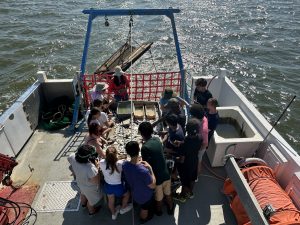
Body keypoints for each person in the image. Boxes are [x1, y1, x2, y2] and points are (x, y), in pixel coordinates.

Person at [138, 122, 175, 216]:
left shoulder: (144, 148)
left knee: (159, 198)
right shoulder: (157, 140)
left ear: (141, 134)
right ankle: (171, 208)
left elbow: (146, 164)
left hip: (157, 177)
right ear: (151, 131)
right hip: (166, 173)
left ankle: (158, 211)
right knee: (168, 193)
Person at [122, 141, 156, 224]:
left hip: (135, 193)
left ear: (127, 152)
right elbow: (153, 186)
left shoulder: (124, 165)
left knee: (141, 204)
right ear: (139, 150)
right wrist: (150, 169)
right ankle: (143, 219)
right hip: (144, 196)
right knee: (145, 208)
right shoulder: (143, 171)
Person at [99, 147, 132, 220]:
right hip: (118, 187)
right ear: (116, 155)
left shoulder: (101, 162)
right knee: (127, 195)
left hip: (108, 186)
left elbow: (105, 161)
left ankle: (113, 214)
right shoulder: (120, 163)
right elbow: (125, 162)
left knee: (110, 201)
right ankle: (123, 208)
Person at [174, 119, 203, 202]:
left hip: (186, 165)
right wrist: (181, 142)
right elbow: (193, 145)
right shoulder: (200, 137)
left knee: (185, 182)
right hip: (194, 161)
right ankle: (190, 192)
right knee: (192, 178)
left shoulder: (184, 144)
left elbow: (182, 160)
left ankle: (183, 196)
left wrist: (175, 159)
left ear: (187, 130)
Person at [68, 145, 102, 215]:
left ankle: (83, 205)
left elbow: (70, 164)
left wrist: (74, 172)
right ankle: (92, 211)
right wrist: (97, 167)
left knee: (83, 193)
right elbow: (95, 182)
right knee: (91, 201)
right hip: (89, 187)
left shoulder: (72, 156)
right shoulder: (91, 168)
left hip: (80, 182)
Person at [190, 104, 208, 177]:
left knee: (198, 162)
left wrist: (198, 151)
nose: (191, 116)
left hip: (200, 148)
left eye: (192, 115)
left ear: (195, 116)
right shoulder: (203, 117)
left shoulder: (203, 130)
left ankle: (196, 176)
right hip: (197, 143)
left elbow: (205, 143)